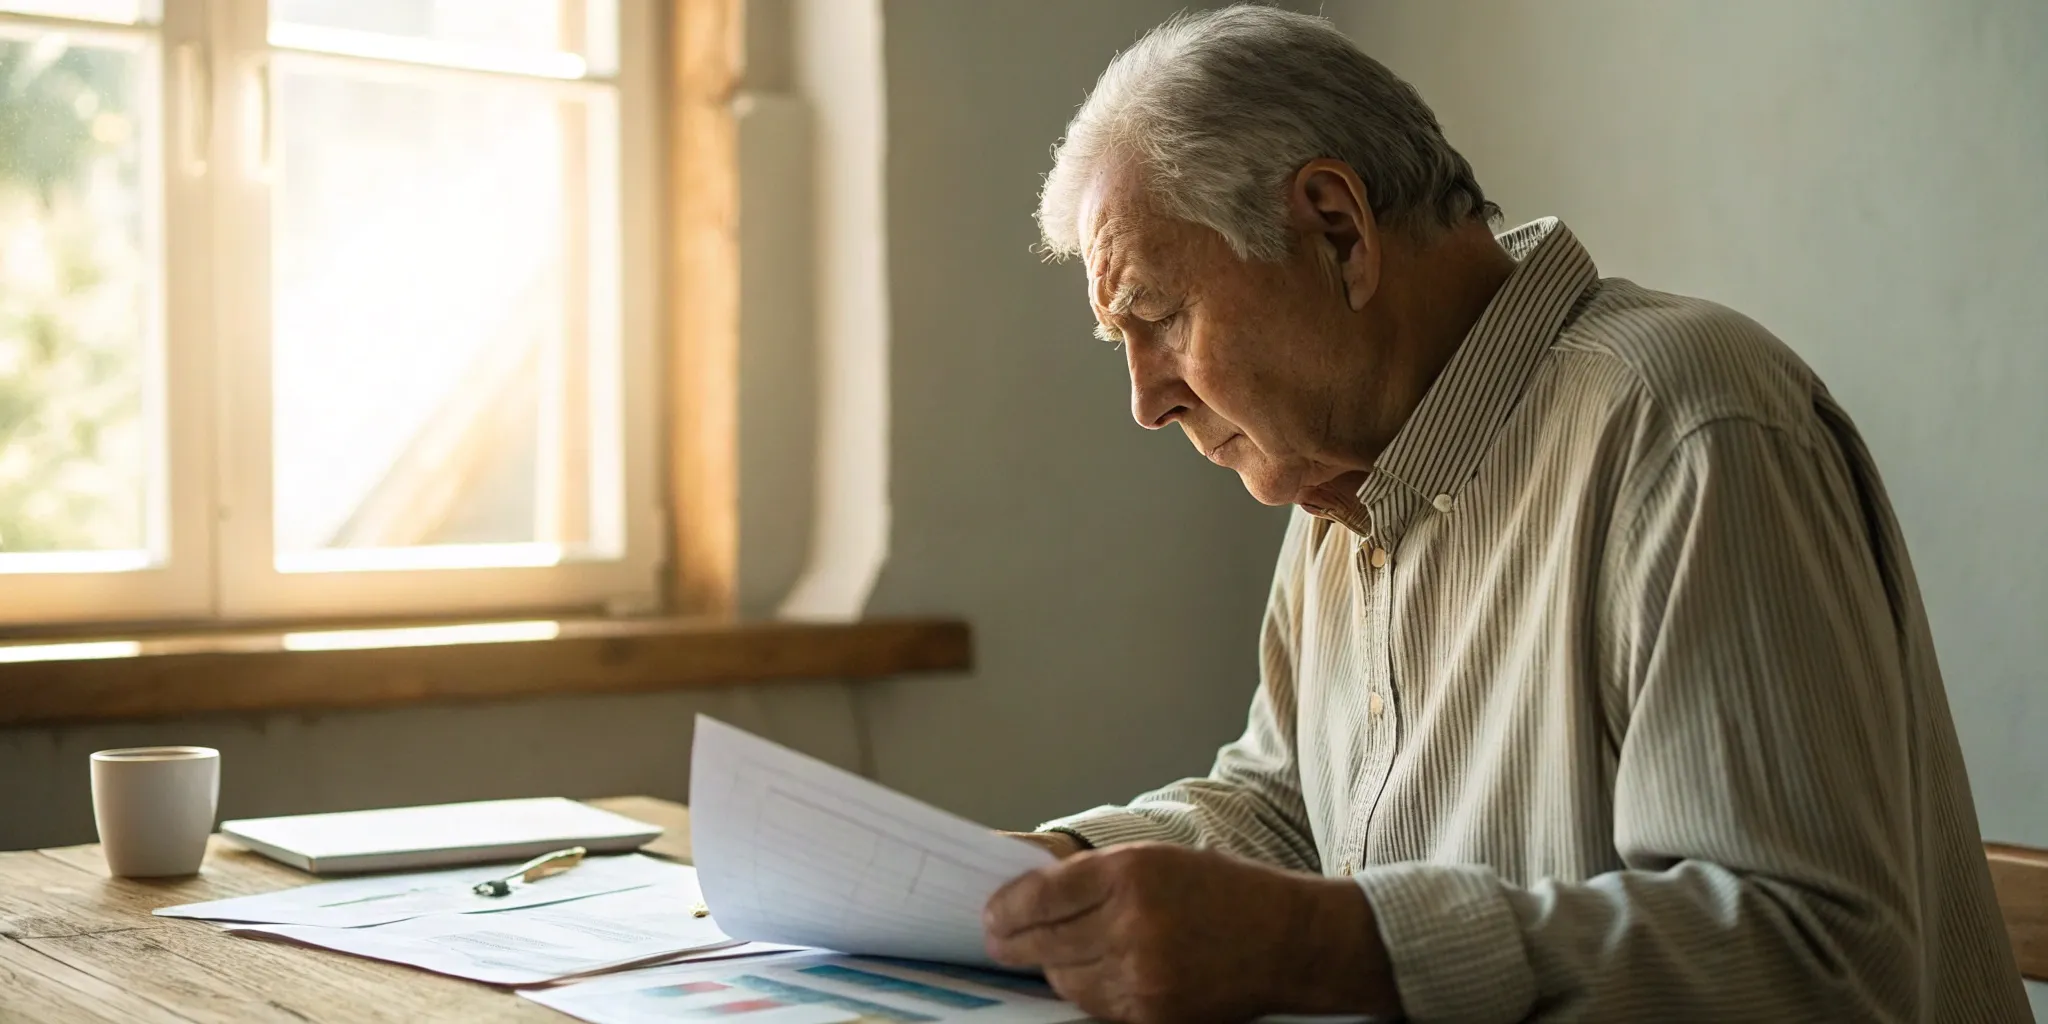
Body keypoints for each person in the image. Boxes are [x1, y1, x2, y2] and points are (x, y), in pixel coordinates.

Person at [976, 6, 2032, 1023]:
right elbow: (1292, 810)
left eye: (1157, 319)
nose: (1145, 400)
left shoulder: (1685, 423)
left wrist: (1318, 947)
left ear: (1337, 231)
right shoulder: (1341, 483)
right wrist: (1035, 880)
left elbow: (1808, 960)